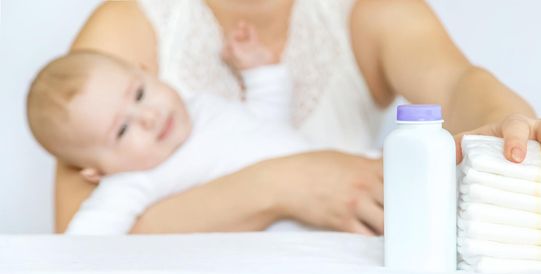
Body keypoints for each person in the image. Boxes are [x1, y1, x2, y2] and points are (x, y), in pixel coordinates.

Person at [56, 0, 541, 235]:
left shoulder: (371, 13)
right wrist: (285, 184)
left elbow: (458, 85)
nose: (143, 117)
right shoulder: (125, 29)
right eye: (126, 123)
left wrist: (509, 130)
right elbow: (78, 237)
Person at [29, 22, 335, 234]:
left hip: (332, 182)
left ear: (148, 72)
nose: (147, 116)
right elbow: (84, 247)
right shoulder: (133, 183)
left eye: (139, 94)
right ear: (97, 172)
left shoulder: (203, 105)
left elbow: (266, 127)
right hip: (302, 242)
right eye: (121, 130)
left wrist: (263, 73)